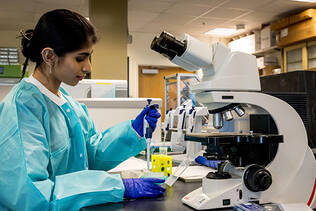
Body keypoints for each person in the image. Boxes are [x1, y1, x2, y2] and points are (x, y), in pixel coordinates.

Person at [0, 9, 164, 211]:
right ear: (49, 55)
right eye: (80, 58)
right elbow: (32, 196)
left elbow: (90, 156)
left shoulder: (68, 103)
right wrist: (116, 186)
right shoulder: (22, 108)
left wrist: (132, 132)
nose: (87, 67)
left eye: (89, 57)